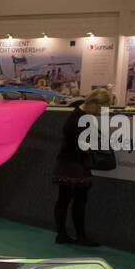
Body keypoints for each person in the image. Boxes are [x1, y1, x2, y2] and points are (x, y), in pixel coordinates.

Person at [51, 86, 110, 246]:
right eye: (99, 109)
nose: (98, 113)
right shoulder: (80, 117)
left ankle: (62, 234)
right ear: (94, 103)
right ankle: (79, 236)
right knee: (78, 200)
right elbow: (80, 141)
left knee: (65, 199)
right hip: (74, 163)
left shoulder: (78, 115)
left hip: (67, 161)